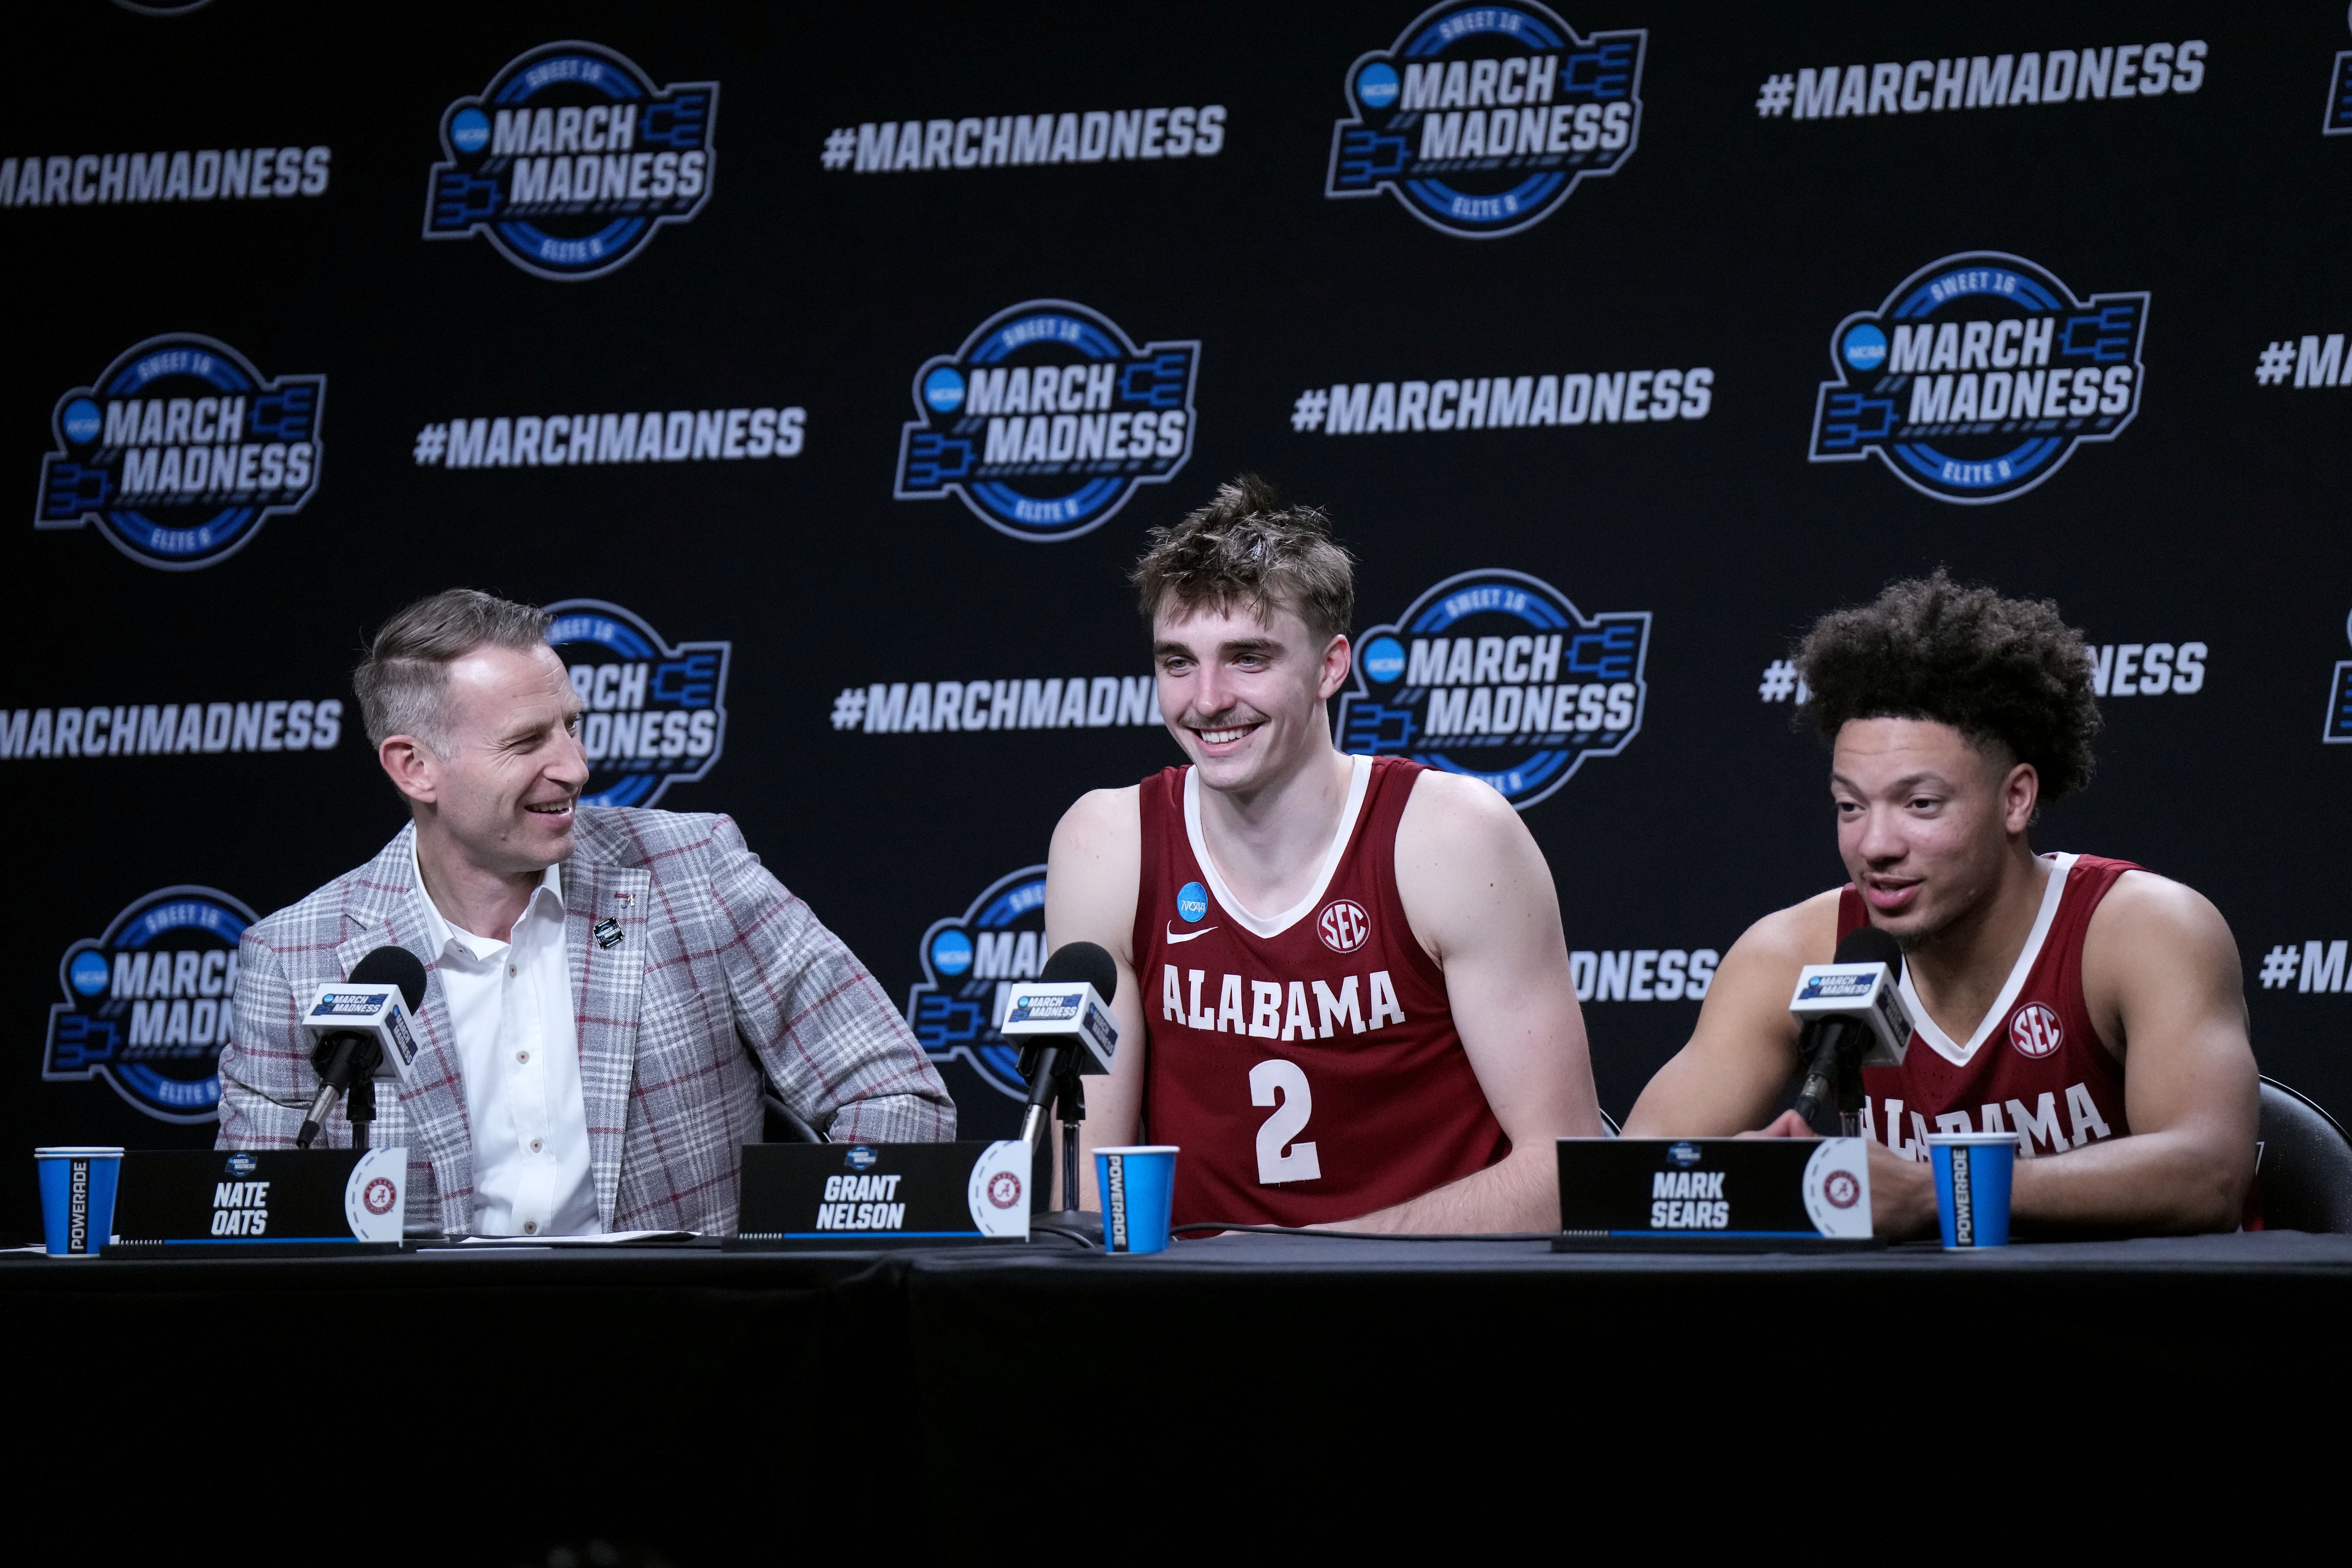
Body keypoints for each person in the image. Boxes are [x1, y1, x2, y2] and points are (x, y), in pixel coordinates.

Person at [219, 589, 952, 1236]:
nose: (575, 766)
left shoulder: (693, 871)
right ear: (415, 766)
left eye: (571, 725)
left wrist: (799, 1280)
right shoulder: (300, 956)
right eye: (526, 740)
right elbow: (263, 1216)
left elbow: (891, 1092)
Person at [1046, 476, 1604, 1233]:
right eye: (1177, 662)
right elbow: (1087, 1193)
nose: (1206, 699)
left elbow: (1564, 1169)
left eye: (1248, 657)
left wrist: (1302, 1267)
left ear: (1331, 666)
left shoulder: (1450, 837)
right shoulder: (1108, 843)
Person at [1626, 572, 2256, 1236]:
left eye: (1920, 804)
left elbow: (2208, 1175)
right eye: (1850, 806)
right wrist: (1744, 1181)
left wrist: (1940, 1189)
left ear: (2015, 799)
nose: (1875, 845)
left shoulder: (2143, 930)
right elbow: (1624, 1180)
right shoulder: (1788, 955)